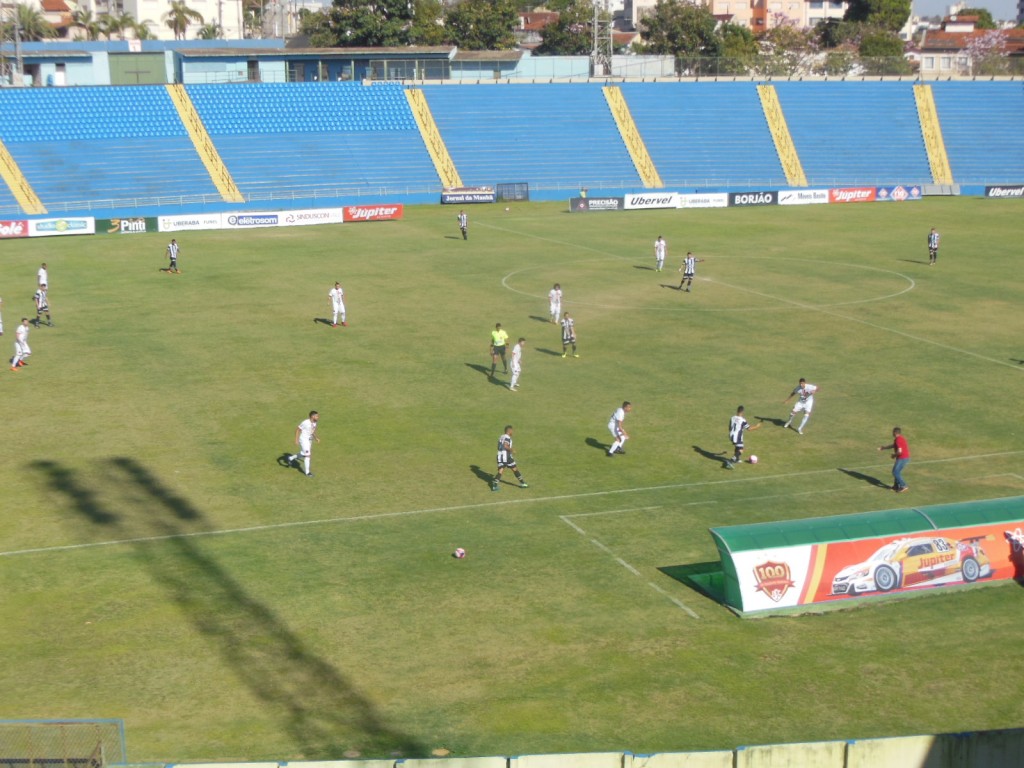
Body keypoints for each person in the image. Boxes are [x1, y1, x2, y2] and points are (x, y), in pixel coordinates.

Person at [492, 425, 528, 491]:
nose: (512, 432)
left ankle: (523, 483)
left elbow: (498, 446)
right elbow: (505, 445)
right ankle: (495, 484)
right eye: (512, 431)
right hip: (505, 456)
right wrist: (512, 450)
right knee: (507, 469)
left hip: (503, 456)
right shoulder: (507, 437)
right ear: (509, 431)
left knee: (511, 468)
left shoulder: (501, 436)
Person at [286, 411, 320, 477]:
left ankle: (290, 458)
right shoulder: (305, 422)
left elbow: (312, 431)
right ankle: (307, 472)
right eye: (317, 416)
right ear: (312, 416)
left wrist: (316, 438)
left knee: (303, 453)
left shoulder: (315, 422)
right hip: (304, 440)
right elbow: (297, 429)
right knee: (308, 455)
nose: (318, 417)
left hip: (309, 440)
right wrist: (296, 440)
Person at [878, 427, 910, 493]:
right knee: (897, 472)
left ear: (895, 432)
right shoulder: (899, 439)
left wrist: (894, 455)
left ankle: (904, 485)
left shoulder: (898, 440)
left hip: (902, 458)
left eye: (893, 432)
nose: (892, 433)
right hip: (903, 458)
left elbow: (899, 451)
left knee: (895, 472)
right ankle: (896, 486)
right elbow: (893, 445)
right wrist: (884, 448)